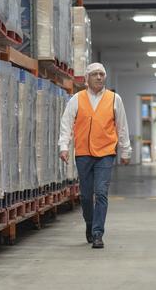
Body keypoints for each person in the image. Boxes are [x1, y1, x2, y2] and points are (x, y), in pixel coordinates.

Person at [58, 63, 131, 249]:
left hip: (106, 153)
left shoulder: (115, 99)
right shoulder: (77, 99)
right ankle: (89, 224)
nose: (99, 77)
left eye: (102, 74)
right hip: (83, 153)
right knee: (85, 195)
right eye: (95, 74)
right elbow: (66, 123)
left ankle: (98, 233)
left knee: (101, 193)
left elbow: (122, 127)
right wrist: (63, 146)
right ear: (86, 78)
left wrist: (125, 150)